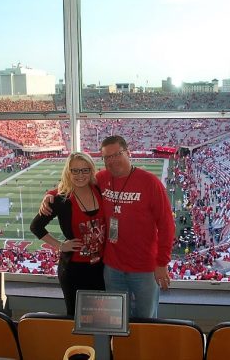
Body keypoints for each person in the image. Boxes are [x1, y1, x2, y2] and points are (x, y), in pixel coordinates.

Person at [40, 136, 174, 318]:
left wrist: (162, 262)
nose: (112, 160)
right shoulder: (102, 178)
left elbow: (166, 224)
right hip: (112, 267)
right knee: (116, 319)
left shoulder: (150, 182)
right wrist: (50, 194)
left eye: (117, 154)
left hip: (145, 268)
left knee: (146, 319)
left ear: (128, 153)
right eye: (107, 157)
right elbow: (77, 183)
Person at [30, 152, 106, 316]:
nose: (80, 175)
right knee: (76, 316)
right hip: (74, 268)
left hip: (100, 267)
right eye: (75, 171)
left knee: (100, 316)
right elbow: (36, 226)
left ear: (92, 170)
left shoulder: (99, 190)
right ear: (68, 172)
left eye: (85, 170)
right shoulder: (61, 199)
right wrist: (60, 245)